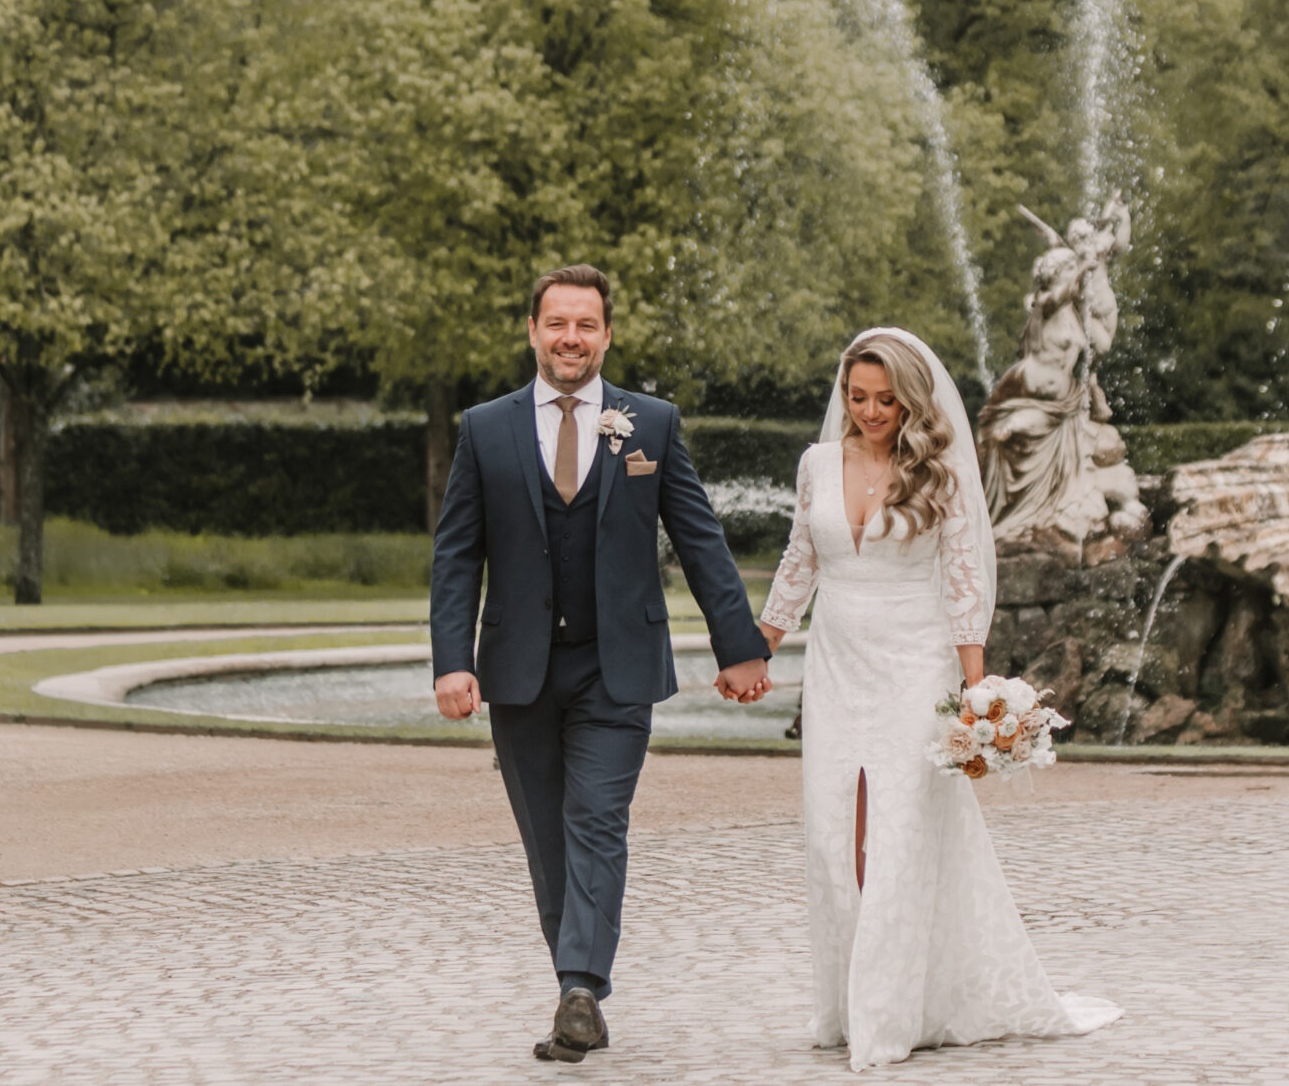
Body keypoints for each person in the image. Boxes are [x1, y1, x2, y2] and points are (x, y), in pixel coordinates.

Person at [428, 264, 773, 1065]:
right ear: (534, 331)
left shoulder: (649, 422)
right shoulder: (485, 427)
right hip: (519, 669)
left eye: (586, 324)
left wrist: (740, 645)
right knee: (547, 837)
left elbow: (699, 537)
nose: (571, 338)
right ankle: (574, 980)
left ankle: (580, 988)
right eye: (557, 323)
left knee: (596, 821)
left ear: (607, 334)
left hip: (618, 667)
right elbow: (456, 557)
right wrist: (453, 660)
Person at [759, 328, 1121, 1071]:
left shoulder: (941, 471)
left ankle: (887, 1017)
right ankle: (846, 1003)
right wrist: (753, 650)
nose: (870, 411)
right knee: (835, 833)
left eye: (886, 398)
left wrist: (976, 686)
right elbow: (800, 560)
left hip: (913, 660)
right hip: (836, 661)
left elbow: (963, 575)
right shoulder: (817, 464)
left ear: (911, 399)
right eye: (857, 397)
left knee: (897, 832)